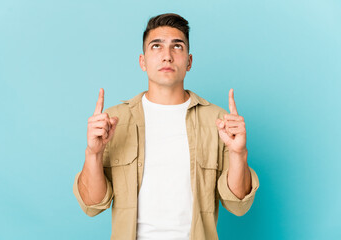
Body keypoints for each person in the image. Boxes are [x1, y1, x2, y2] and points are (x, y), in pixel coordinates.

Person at [73, 13, 260, 240]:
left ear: (189, 61)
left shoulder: (219, 121)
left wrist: (238, 153)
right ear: (142, 61)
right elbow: (93, 205)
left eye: (177, 46)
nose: (167, 56)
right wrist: (93, 153)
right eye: (156, 46)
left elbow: (238, 205)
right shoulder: (113, 121)